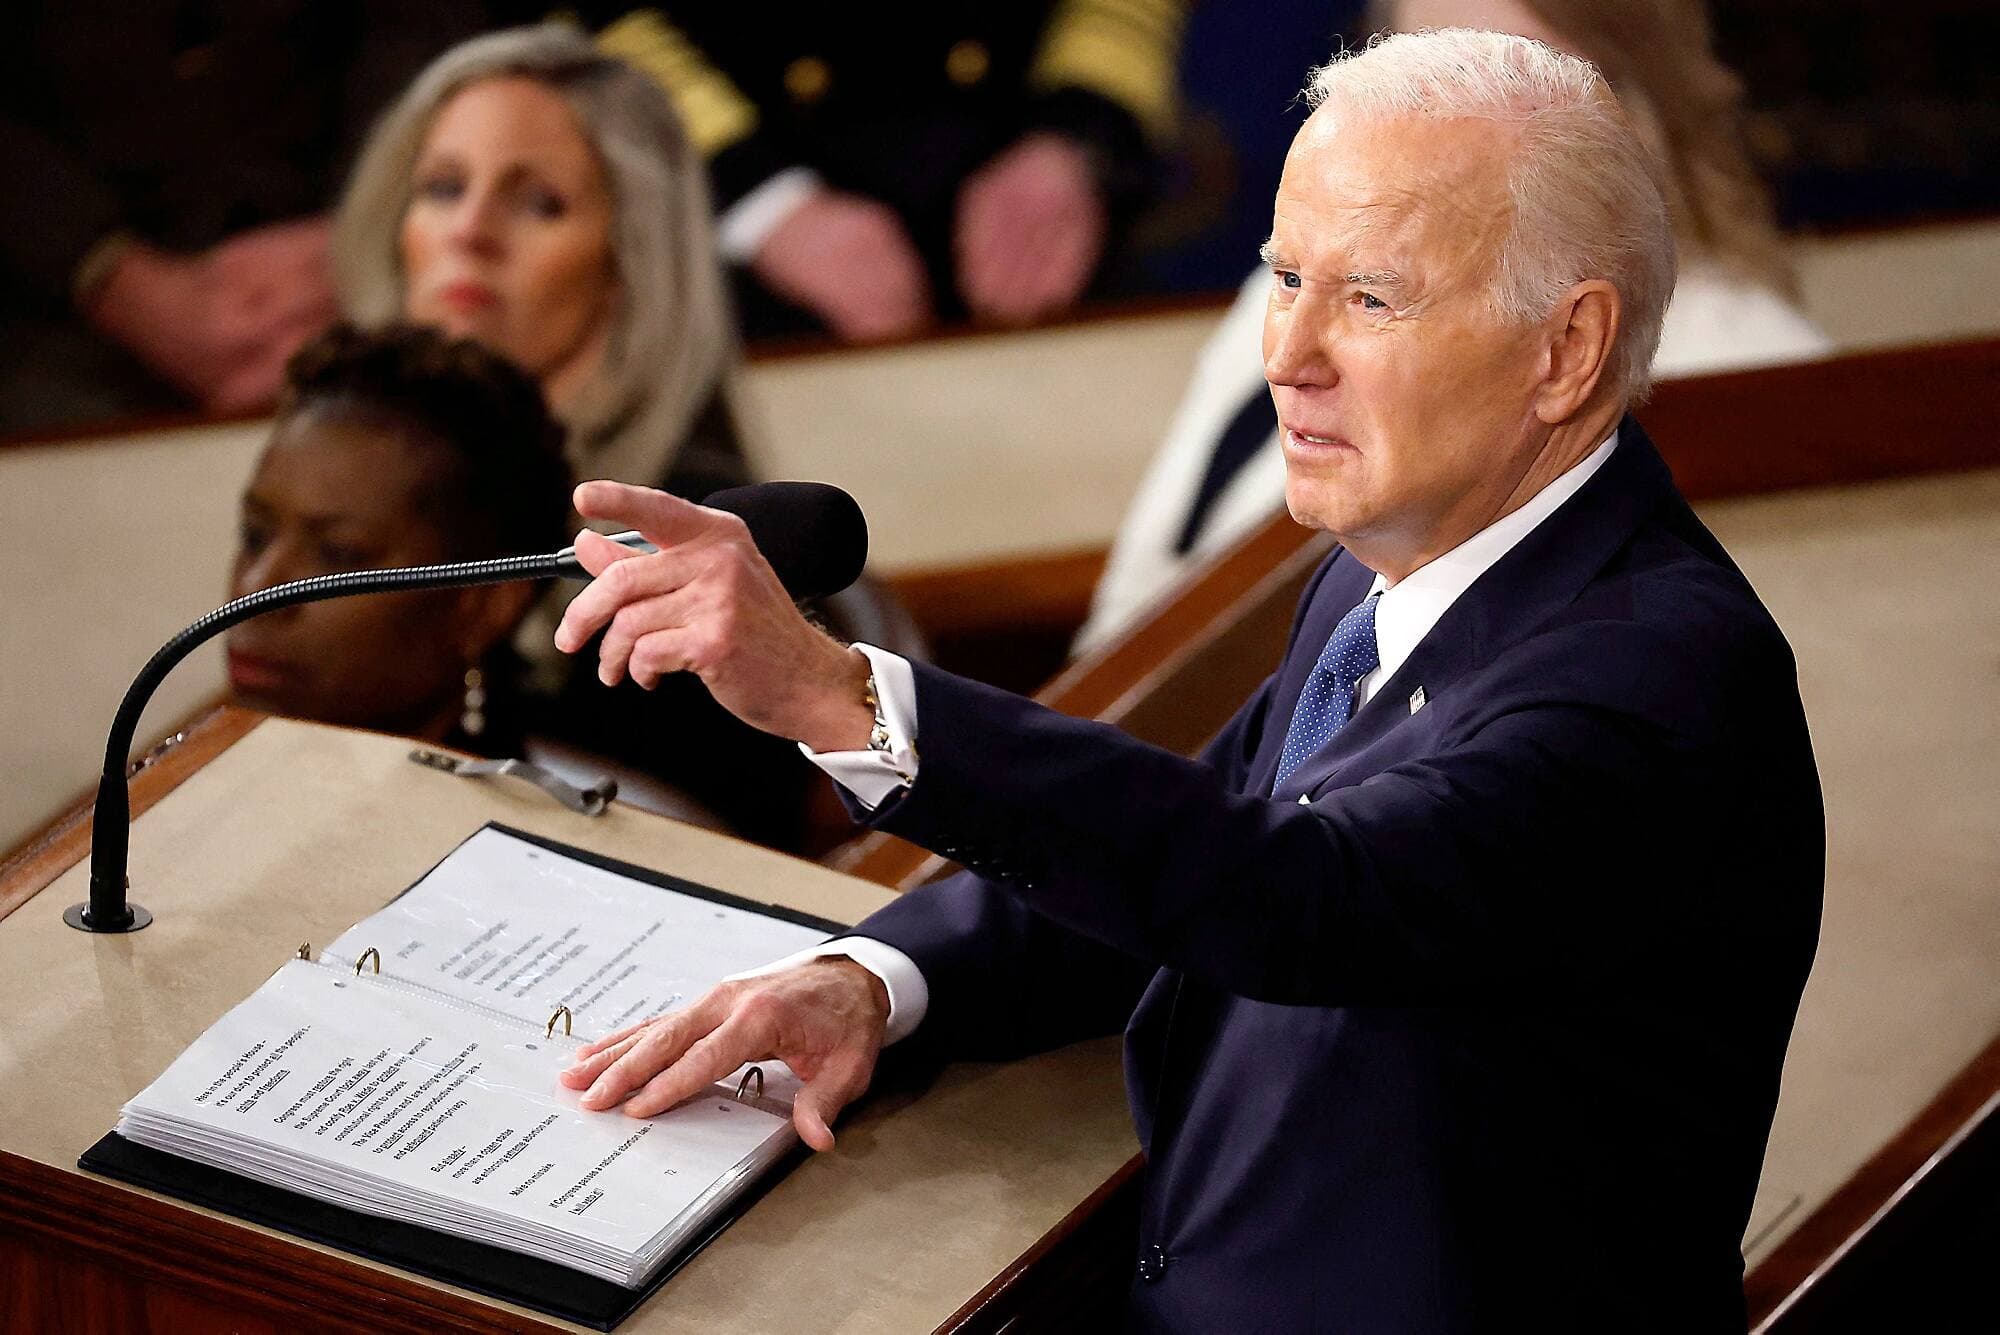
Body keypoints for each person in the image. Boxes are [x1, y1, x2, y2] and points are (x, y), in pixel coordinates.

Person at [545, 30, 1824, 1330]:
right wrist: (874, 981)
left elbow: (1300, 893)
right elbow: (1169, 851)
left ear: (1566, 348)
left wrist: (839, 693)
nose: (1290, 353)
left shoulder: (1649, 680)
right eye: (1285, 277)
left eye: (1372, 298)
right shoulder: (1397, 565)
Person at [1073, 0, 1832, 657]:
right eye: (1411, 82)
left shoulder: (1747, 359)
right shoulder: (1279, 296)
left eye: (1492, 85)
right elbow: (1132, 610)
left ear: (1630, 101)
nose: (1430, 140)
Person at [0, 2, 489, 433]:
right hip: (57, 300)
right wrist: (105, 272)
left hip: (374, 246)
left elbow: (426, 32)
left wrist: (363, 230)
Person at [570, 3, 1187, 341]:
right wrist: (762, 201)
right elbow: (589, 17)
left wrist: (1075, 138)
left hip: (1042, 214)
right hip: (730, 244)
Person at [333, 23, 747, 504]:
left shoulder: (696, 534)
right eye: (444, 188)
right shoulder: (342, 492)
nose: (469, 231)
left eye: (539, 203)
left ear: (630, 262)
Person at [225, 321, 571, 756]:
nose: (255, 590)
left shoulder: (509, 822)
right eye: (254, 536)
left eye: (337, 555)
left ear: (482, 607)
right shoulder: (166, 786)